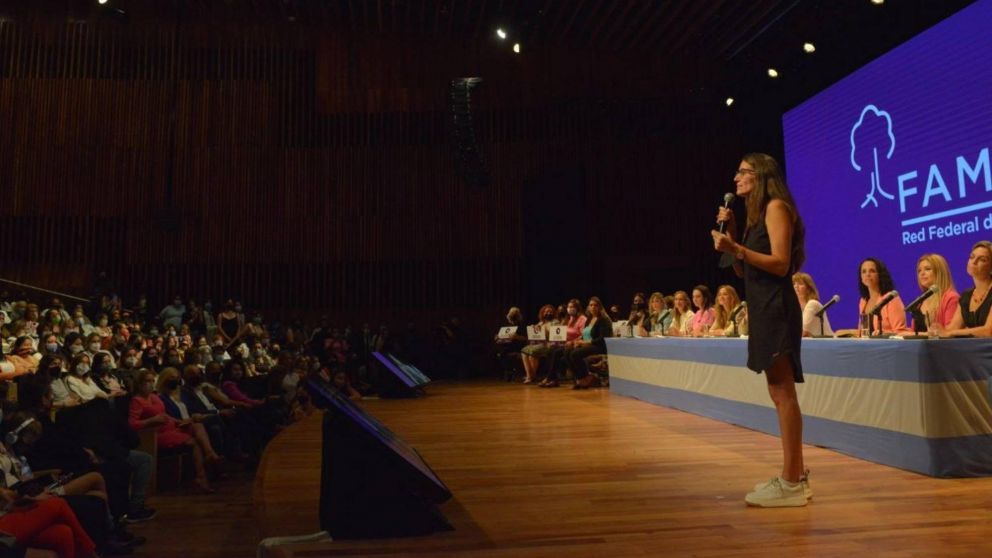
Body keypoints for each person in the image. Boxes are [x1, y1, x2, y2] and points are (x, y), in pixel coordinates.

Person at [712, 152, 810, 507]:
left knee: (783, 392)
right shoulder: (754, 217)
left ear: (761, 175)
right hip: (763, 308)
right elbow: (744, 270)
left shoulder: (776, 207)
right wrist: (733, 236)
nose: (736, 178)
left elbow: (781, 264)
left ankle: (792, 482)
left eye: (743, 172)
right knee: (777, 390)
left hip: (777, 308)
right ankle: (795, 475)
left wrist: (737, 247)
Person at [837, 258, 908, 336]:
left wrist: (884, 334)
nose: (867, 274)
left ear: (880, 275)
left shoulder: (891, 299)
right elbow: (863, 333)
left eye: (872, 271)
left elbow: (900, 332)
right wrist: (848, 332)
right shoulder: (863, 301)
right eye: (864, 271)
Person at [936, 240, 992, 337]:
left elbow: (988, 331)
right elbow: (952, 329)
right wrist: (935, 331)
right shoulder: (967, 295)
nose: (974, 262)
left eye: (982, 260)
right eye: (972, 257)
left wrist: (950, 333)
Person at [566, 297, 612, 390]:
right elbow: (584, 335)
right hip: (588, 344)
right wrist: (577, 341)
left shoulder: (603, 320)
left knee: (575, 354)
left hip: (599, 346)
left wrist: (585, 343)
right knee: (567, 351)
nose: (593, 307)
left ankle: (585, 377)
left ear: (600, 307)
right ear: (588, 307)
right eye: (591, 305)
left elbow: (602, 338)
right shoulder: (589, 319)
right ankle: (579, 378)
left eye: (595, 305)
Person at [911, 253, 960, 333]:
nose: (922, 273)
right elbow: (914, 332)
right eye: (919, 271)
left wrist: (917, 335)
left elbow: (949, 333)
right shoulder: (919, 302)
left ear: (940, 272)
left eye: (927, 269)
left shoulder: (951, 298)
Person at [520, 305, 556, 384]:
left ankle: (531, 377)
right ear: (542, 313)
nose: (548, 313)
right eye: (546, 311)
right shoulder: (540, 322)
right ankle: (530, 375)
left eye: (550, 311)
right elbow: (536, 334)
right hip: (538, 343)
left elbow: (554, 333)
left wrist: (543, 328)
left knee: (533, 352)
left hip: (548, 344)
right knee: (524, 351)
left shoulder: (555, 322)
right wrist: (533, 328)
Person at [792, 272, 833, 337]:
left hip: (826, 343)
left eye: (800, 284)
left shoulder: (812, 304)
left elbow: (801, 332)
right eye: (794, 284)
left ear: (808, 289)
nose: (796, 286)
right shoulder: (795, 308)